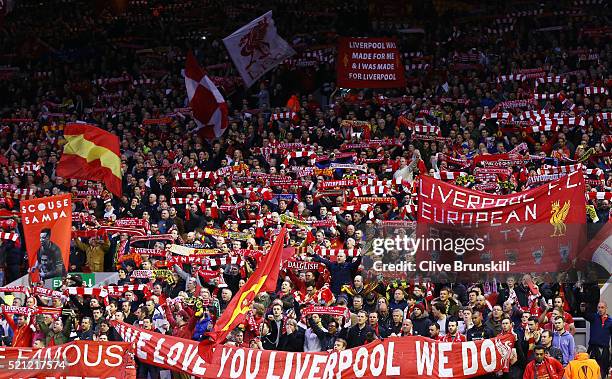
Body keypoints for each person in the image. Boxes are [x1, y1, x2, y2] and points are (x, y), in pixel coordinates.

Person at [582, 301, 611, 377]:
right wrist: (583, 309)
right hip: (593, 349)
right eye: (599, 307)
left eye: (602, 307)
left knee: (603, 372)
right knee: (591, 372)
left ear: (606, 308)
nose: (600, 309)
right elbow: (585, 315)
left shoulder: (610, 321)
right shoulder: (594, 317)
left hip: (604, 350)